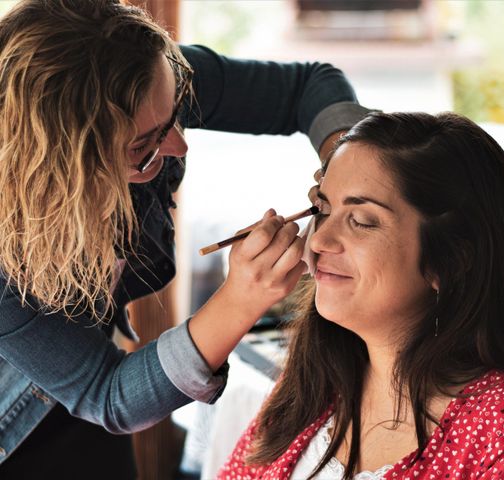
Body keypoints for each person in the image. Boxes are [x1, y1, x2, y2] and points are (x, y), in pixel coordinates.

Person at [0, 0, 372, 478]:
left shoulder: (144, 74)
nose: (179, 145)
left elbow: (307, 86)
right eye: (144, 146)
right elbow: (109, 394)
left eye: (175, 114)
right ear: (61, 169)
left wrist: (349, 163)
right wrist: (241, 297)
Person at [218, 111, 504, 480]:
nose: (319, 240)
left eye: (361, 221)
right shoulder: (313, 387)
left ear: (449, 260)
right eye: (322, 210)